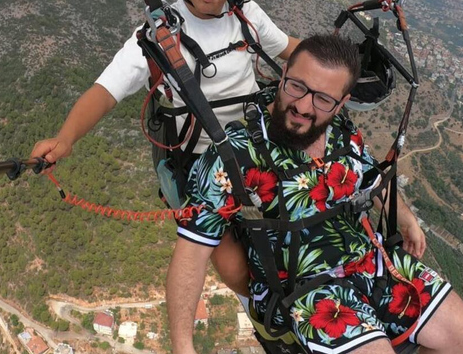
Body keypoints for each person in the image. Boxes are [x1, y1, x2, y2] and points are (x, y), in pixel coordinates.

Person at [166, 34, 463, 354]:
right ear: (283, 76)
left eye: (323, 98)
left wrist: (405, 216)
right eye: (295, 87)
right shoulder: (235, 158)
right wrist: (183, 348)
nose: (303, 107)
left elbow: (369, 181)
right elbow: (190, 255)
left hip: (368, 261)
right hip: (307, 289)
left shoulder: (342, 134)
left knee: (461, 329)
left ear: (342, 101)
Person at [31, 0, 299, 299]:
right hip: (201, 162)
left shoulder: (244, 14)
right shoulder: (156, 36)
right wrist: (65, 139)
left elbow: (291, 49)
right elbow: (105, 91)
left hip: (258, 145)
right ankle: (264, 314)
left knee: (295, 234)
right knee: (233, 268)